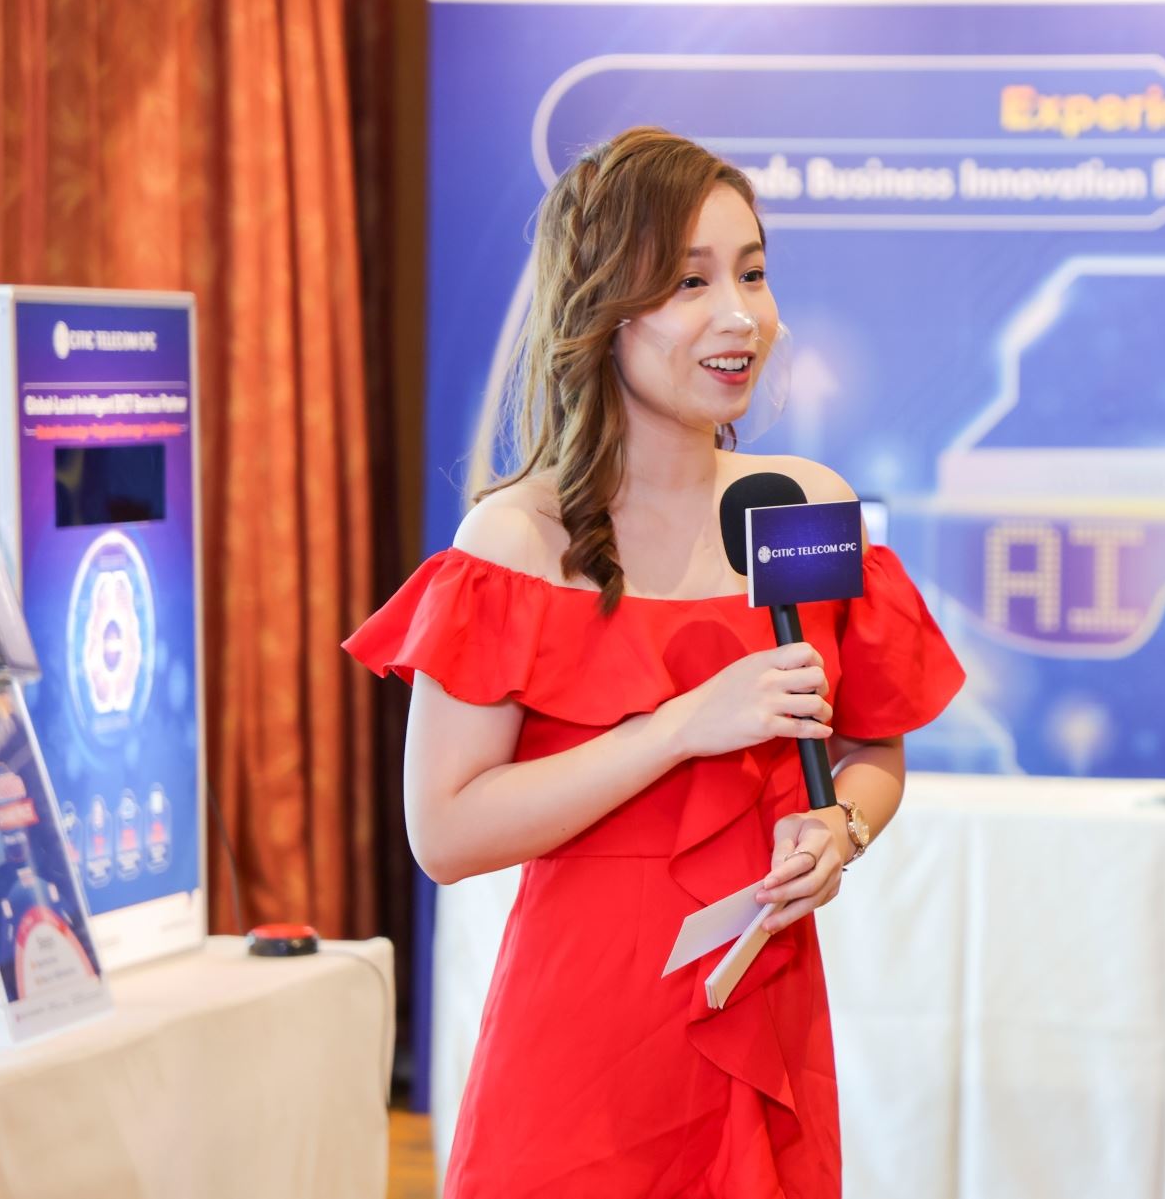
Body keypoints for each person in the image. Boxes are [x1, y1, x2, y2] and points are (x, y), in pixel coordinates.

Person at [344, 127, 964, 1197]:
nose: (740, 316)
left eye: (752, 274)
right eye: (689, 282)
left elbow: (871, 749)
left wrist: (842, 828)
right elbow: (444, 832)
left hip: (762, 1015)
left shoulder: (805, 508)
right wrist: (679, 726)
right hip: (581, 1047)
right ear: (603, 309)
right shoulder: (516, 540)